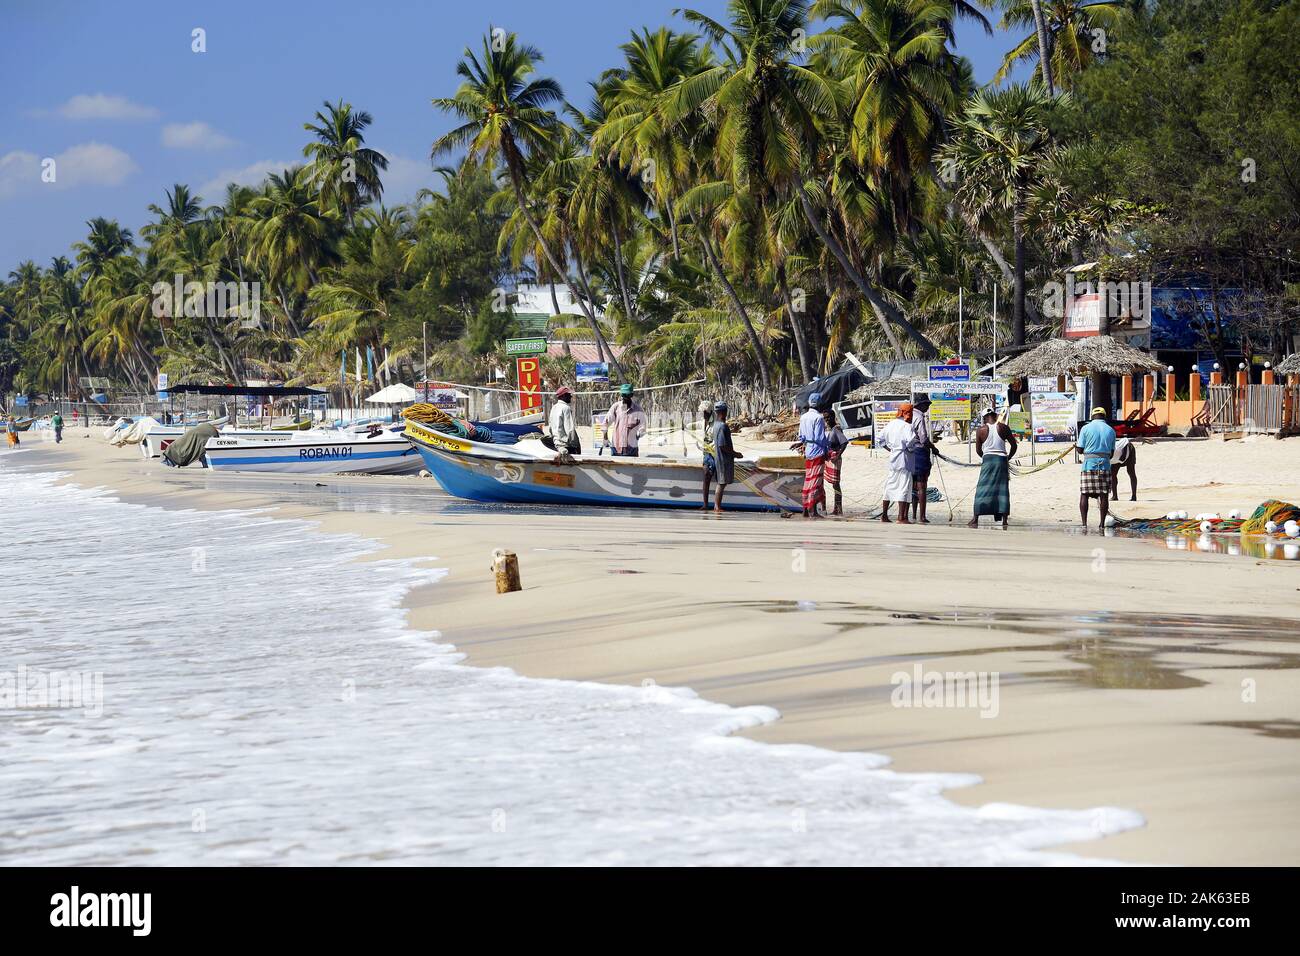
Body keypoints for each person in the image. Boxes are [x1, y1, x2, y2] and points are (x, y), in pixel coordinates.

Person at [969, 408, 1017, 529]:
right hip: (1001, 460)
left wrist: (986, 458)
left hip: (988, 460)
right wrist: (1008, 457)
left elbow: (978, 451)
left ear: (985, 418)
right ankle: (1004, 520)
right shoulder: (1003, 427)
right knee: (1002, 489)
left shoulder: (981, 430)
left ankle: (975, 518)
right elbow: (1014, 445)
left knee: (982, 488)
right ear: (994, 416)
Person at [1076, 406, 1117, 529]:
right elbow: (1112, 453)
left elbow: (1080, 450)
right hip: (1104, 465)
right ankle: (1101, 524)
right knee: (1103, 495)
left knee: (1084, 494)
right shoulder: (1111, 430)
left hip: (1088, 465)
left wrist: (1077, 447)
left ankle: (1084, 523)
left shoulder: (1085, 428)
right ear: (1104, 416)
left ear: (1092, 416)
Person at [878, 403, 917, 523]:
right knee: (904, 486)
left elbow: (880, 440)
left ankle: (884, 515)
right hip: (904, 459)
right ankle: (901, 517)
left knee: (890, 485)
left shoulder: (891, 424)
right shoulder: (907, 426)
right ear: (906, 413)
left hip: (893, 458)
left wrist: (890, 449)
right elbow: (910, 442)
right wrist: (910, 449)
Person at [795, 392, 830, 518]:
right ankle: (812, 510)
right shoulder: (818, 418)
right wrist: (827, 449)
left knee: (809, 479)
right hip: (818, 451)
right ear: (819, 404)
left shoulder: (803, 417)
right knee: (816, 481)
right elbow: (820, 437)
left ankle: (805, 508)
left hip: (808, 451)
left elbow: (801, 436)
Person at [706, 401, 741, 512]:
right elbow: (722, 446)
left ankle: (717, 506)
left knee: (721, 483)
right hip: (723, 459)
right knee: (721, 483)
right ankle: (717, 506)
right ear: (724, 412)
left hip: (719, 458)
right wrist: (736, 454)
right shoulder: (722, 426)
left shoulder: (715, 425)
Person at [908, 396, 936, 523]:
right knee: (921, 486)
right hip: (919, 453)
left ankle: (912, 515)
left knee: (911, 485)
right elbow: (923, 439)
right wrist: (933, 447)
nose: (928, 407)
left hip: (908, 453)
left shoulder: (907, 416)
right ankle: (922, 516)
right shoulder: (919, 417)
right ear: (921, 405)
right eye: (927, 405)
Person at [605, 383, 646, 457]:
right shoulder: (616, 407)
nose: (625, 398)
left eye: (627, 395)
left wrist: (638, 434)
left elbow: (642, 428)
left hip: (631, 450)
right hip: (616, 449)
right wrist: (605, 438)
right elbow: (605, 423)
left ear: (631, 395)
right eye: (623, 395)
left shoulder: (638, 410)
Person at [822, 407, 849, 516]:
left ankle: (839, 508)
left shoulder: (836, 429)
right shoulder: (831, 429)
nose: (827, 420)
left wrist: (838, 455)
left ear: (833, 417)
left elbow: (844, 442)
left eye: (828, 417)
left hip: (834, 459)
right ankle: (836, 508)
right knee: (834, 484)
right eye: (825, 418)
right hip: (830, 458)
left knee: (836, 483)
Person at [546, 386, 580, 454]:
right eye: (568, 394)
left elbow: (550, 428)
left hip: (556, 444)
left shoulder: (554, 407)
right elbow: (570, 429)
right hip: (566, 445)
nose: (570, 396)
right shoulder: (565, 408)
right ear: (563, 396)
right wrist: (576, 445)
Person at [1110, 437, 1137, 502]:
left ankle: (1134, 496)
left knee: (1131, 472)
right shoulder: (1106, 455)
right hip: (1116, 459)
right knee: (1112, 474)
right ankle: (1114, 496)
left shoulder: (1117, 446)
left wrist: (1123, 456)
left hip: (1129, 452)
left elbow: (1126, 440)